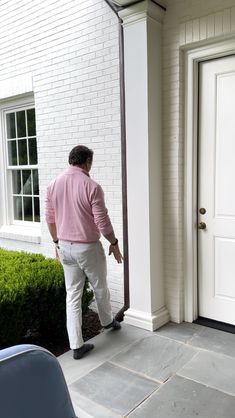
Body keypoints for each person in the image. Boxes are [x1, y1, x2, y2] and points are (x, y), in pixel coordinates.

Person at [45, 145, 123, 359]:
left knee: (72, 295)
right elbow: (102, 222)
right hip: (87, 247)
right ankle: (107, 322)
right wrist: (114, 242)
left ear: (71, 160)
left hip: (65, 246)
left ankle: (76, 346)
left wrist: (56, 242)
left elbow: (50, 218)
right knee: (100, 287)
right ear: (87, 161)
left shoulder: (53, 184)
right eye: (91, 162)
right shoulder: (92, 186)